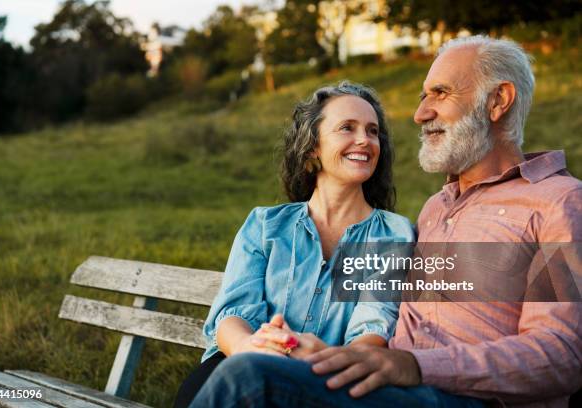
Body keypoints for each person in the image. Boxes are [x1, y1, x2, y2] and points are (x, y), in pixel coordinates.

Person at [189, 36, 582, 407]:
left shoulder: (557, 202)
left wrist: (412, 365)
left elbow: (561, 354)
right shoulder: (436, 209)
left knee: (251, 379)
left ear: (498, 101)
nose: (419, 113)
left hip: (459, 397)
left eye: (440, 94)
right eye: (423, 96)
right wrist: (335, 356)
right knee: (241, 375)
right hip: (386, 386)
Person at [173, 81, 415, 407]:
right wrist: (250, 349)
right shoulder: (265, 225)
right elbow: (232, 313)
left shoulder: (390, 234)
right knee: (216, 383)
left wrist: (317, 354)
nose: (364, 140)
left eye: (373, 132)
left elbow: (372, 331)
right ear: (313, 145)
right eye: (348, 127)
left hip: (325, 380)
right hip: (241, 365)